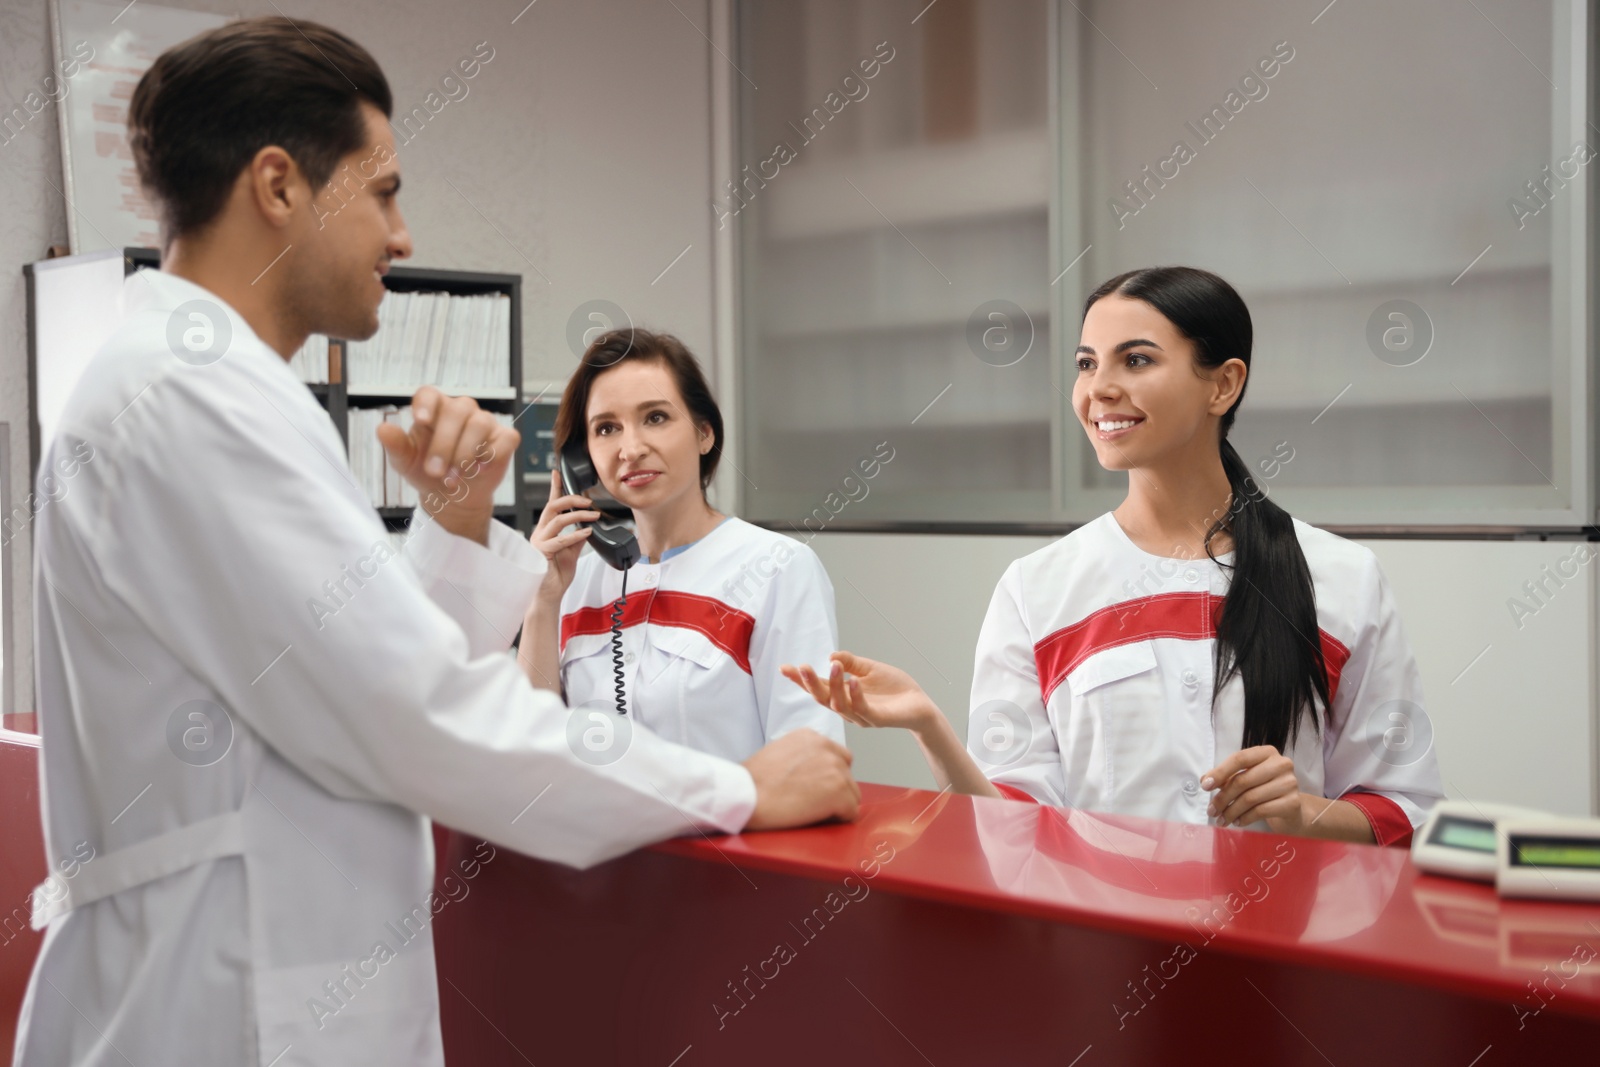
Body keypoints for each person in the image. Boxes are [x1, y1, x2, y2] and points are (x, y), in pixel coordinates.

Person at [16, 17, 856, 1066]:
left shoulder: (207, 386)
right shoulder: (192, 396)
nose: (402, 236)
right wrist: (736, 787)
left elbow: (328, 673)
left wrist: (455, 529)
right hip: (226, 1006)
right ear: (278, 185)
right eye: (383, 192)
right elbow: (410, 712)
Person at [784, 266, 1443, 846]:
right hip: (1101, 963)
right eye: (1085, 363)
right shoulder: (1037, 589)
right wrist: (929, 725)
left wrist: (1308, 815)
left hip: (1284, 965)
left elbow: (1403, 808)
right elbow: (1011, 834)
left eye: (1135, 360)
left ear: (1223, 384)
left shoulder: (1342, 580)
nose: (1098, 388)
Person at [518, 328, 845, 760]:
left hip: (737, 829)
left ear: (704, 433)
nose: (630, 449)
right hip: (594, 827)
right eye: (607, 428)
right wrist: (542, 602)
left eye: (655, 417)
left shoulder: (777, 567)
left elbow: (811, 764)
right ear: (582, 460)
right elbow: (530, 753)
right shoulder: (573, 580)